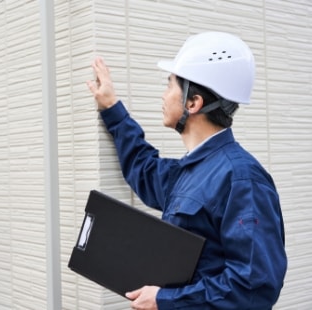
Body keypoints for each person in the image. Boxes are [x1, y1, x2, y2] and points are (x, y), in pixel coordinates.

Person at [87, 32, 287, 309]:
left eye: (170, 86)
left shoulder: (242, 178)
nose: (164, 95)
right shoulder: (188, 172)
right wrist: (112, 109)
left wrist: (165, 300)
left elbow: (254, 286)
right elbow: (143, 168)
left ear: (193, 103)